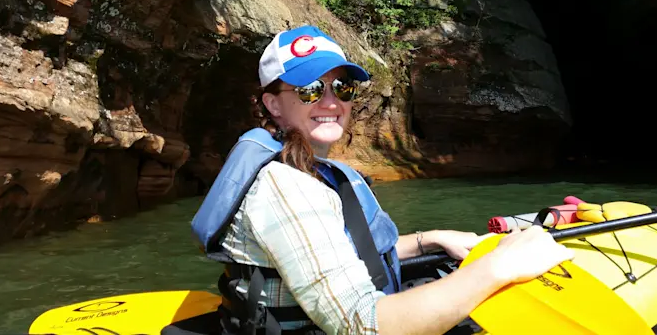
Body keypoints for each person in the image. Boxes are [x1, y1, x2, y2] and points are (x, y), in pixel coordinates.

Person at [190, 25, 574, 335]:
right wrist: (498, 267)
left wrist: (432, 238)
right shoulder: (286, 187)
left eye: (342, 87)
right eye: (309, 90)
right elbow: (362, 325)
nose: (330, 102)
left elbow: (347, 246)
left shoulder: (307, 170)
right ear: (273, 104)